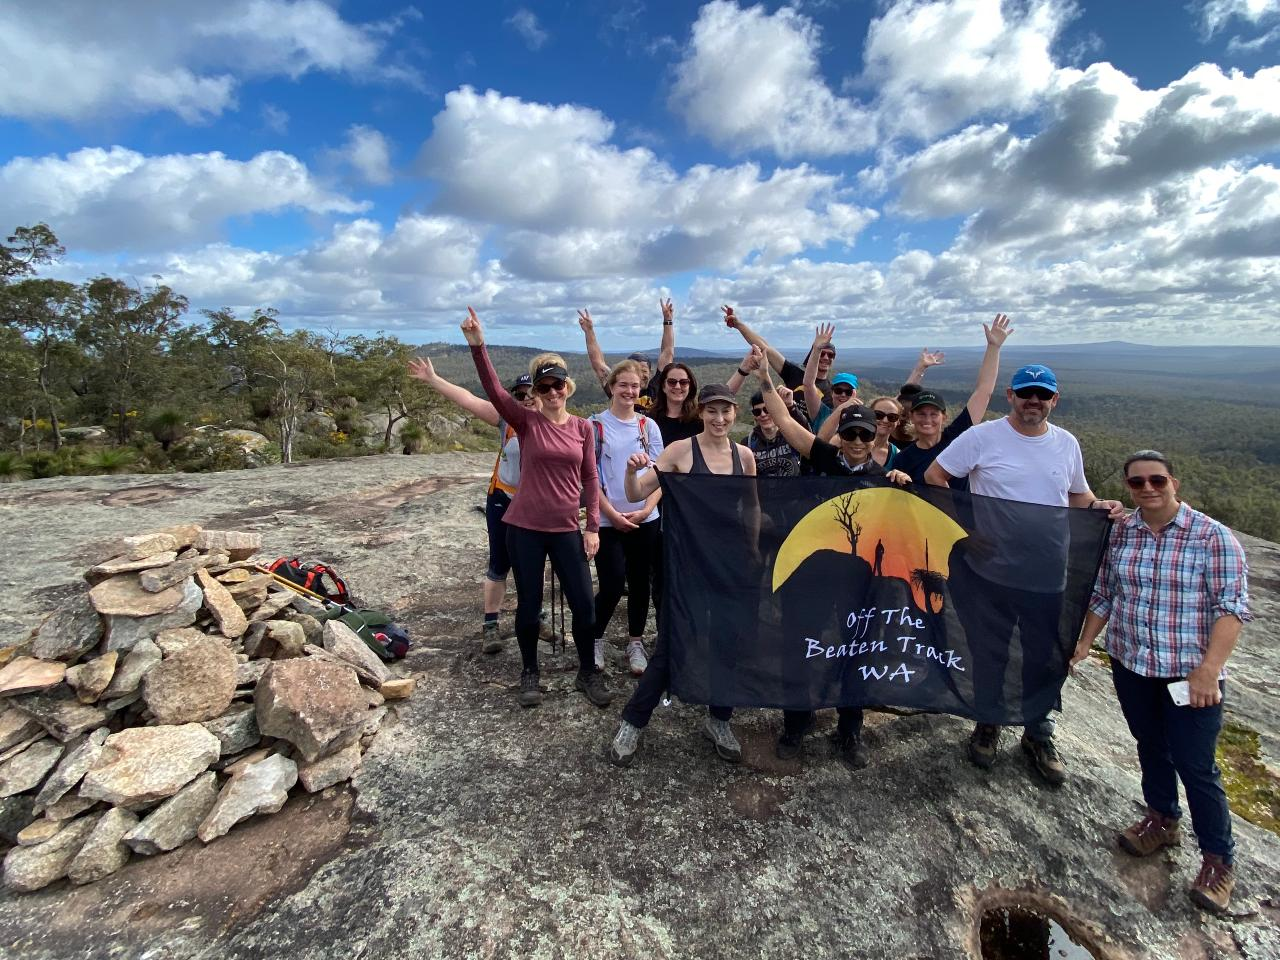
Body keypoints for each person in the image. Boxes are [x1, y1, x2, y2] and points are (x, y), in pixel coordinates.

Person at [925, 362, 1124, 785]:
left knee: (1043, 655)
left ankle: (1038, 730)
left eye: (1043, 394)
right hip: (989, 572)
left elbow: (1076, 493)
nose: (1034, 400)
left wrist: (1097, 506)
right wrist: (963, 532)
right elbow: (935, 476)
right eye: (1026, 392)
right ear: (1010, 396)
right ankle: (989, 720)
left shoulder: (1066, 444)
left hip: (1048, 571)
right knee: (990, 651)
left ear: (1055, 399)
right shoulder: (982, 437)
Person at [1070, 450, 1251, 914]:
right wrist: (1087, 642)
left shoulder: (1213, 538)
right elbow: (1105, 592)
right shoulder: (1123, 533)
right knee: (1149, 744)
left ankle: (1217, 860)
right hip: (1133, 665)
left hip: (1189, 673)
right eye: (1137, 483)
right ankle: (1162, 818)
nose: (1147, 489)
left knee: (1196, 764)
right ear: (1128, 488)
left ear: (1175, 481)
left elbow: (1230, 608)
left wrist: (1209, 669)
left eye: (1157, 480)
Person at [753, 350, 911, 768]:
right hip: (810, 575)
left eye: (865, 436)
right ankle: (796, 721)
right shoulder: (821, 458)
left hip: (859, 582)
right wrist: (765, 377)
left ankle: (850, 728)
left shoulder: (883, 480)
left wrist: (902, 483)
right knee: (797, 646)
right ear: (840, 434)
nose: (858, 443)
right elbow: (786, 422)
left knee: (856, 649)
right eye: (851, 435)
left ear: (874, 438)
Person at [461, 307, 611, 710]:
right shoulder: (525, 422)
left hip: (565, 528)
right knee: (528, 605)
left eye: (557, 386)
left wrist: (593, 526)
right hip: (524, 527)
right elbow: (493, 390)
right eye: (544, 388)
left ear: (568, 387)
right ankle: (530, 671)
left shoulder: (583, 428)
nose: (552, 393)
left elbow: (591, 479)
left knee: (583, 604)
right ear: (538, 392)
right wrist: (479, 345)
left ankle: (586, 673)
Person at [606, 383, 759, 767]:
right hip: (686, 563)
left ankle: (719, 720)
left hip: (730, 564)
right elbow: (639, 492)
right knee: (674, 644)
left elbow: (753, 508)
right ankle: (633, 722)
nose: (719, 419)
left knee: (728, 643)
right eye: (711, 411)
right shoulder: (679, 452)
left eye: (725, 411)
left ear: (734, 413)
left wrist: (754, 552)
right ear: (701, 413)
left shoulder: (745, 457)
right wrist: (629, 472)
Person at [406, 357, 539, 654]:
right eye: (520, 394)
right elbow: (468, 399)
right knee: (500, 563)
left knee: (534, 563)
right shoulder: (506, 419)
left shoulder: (555, 422)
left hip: (537, 504)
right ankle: (490, 625)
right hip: (504, 498)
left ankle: (535, 617)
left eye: (534, 392)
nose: (528, 399)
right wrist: (433, 379)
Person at [589, 359, 666, 678]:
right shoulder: (594, 426)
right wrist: (610, 513)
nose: (630, 391)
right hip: (609, 519)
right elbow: (589, 476)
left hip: (645, 517)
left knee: (638, 583)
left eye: (635, 386)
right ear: (611, 387)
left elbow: (662, 473)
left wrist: (647, 509)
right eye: (623, 385)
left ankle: (635, 642)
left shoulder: (648, 427)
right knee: (609, 583)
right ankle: (593, 638)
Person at [892, 314, 1013, 486]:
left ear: (944, 417)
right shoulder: (902, 459)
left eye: (934, 414)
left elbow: (983, 392)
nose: (928, 419)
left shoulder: (957, 437)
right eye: (921, 413)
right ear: (911, 416)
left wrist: (993, 347)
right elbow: (888, 407)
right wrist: (918, 370)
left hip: (961, 513)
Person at [722, 306, 835, 417]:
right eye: (821, 353)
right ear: (814, 354)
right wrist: (738, 324)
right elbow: (765, 347)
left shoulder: (832, 392)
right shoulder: (795, 374)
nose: (825, 357)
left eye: (830, 355)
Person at [579, 300, 677, 412]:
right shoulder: (618, 388)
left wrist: (668, 320)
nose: (640, 374)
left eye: (644, 371)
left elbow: (667, 353)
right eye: (635, 370)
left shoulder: (657, 387)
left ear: (650, 372)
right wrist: (589, 331)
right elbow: (598, 364)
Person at [818, 395, 903, 469]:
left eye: (892, 417)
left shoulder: (897, 455)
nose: (885, 420)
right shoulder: (842, 440)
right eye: (878, 415)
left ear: (898, 421)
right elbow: (818, 448)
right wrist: (840, 410)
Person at [650, 361, 704, 446]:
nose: (678, 386)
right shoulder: (650, 420)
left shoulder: (700, 421)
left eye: (683, 382)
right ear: (663, 386)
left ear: (690, 387)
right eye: (672, 382)